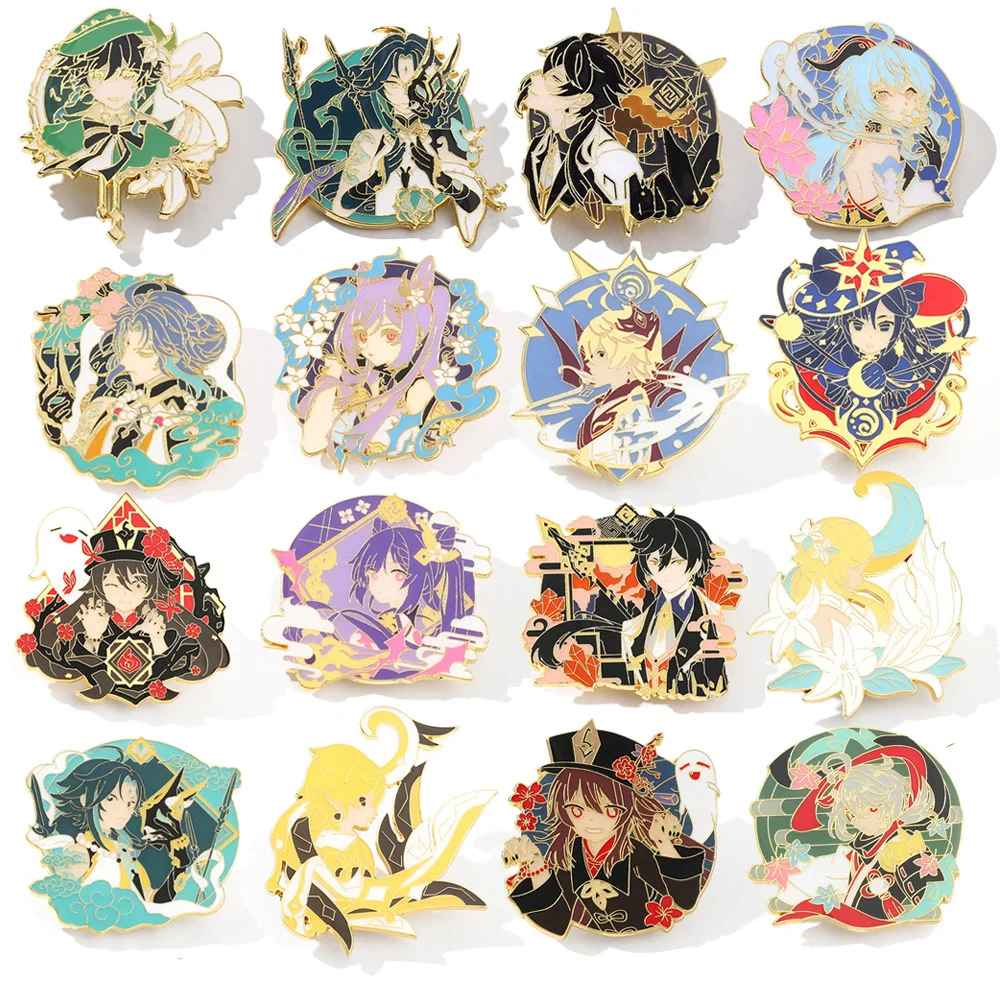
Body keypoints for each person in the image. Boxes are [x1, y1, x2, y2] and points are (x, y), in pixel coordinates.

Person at [504, 723, 707, 937]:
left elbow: (684, 900)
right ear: (564, 812)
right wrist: (536, 865)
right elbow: (557, 922)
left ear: (626, 810)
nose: (592, 819)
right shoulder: (570, 856)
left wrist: (664, 844)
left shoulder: (636, 853)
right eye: (577, 810)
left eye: (608, 809)